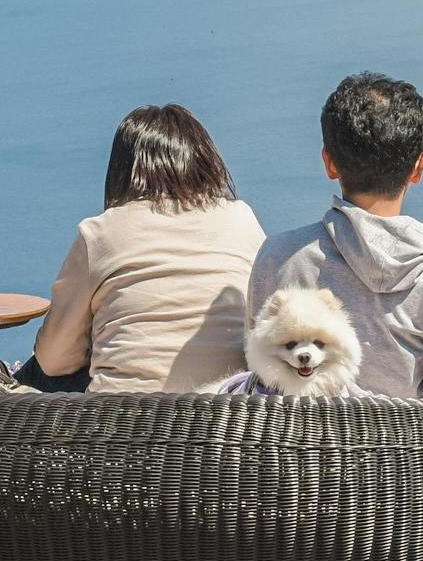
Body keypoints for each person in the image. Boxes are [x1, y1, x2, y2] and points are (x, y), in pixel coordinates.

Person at [249, 72, 423, 399]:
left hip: (303, 447)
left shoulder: (278, 258)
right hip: (408, 448)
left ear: (329, 163)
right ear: (419, 167)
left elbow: (262, 370)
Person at [20, 104, 266, 393]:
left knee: (34, 372)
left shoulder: (100, 232)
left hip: (120, 422)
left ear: (122, 170)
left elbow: (54, 360)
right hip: (228, 415)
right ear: (206, 161)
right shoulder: (242, 219)